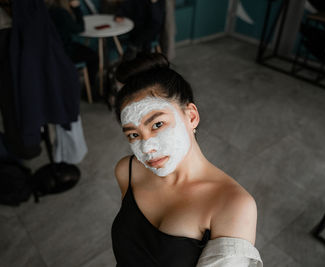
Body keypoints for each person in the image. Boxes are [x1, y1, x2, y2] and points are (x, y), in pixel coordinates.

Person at [111, 53, 263, 267]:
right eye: (134, 135)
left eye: (157, 124)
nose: (147, 147)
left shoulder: (233, 205)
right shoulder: (127, 171)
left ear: (191, 117)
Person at [47, 0, 98, 93]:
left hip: (51, 51)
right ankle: (89, 91)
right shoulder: (61, 13)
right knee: (94, 57)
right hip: (64, 52)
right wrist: (76, 8)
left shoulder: (47, 10)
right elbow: (80, 28)